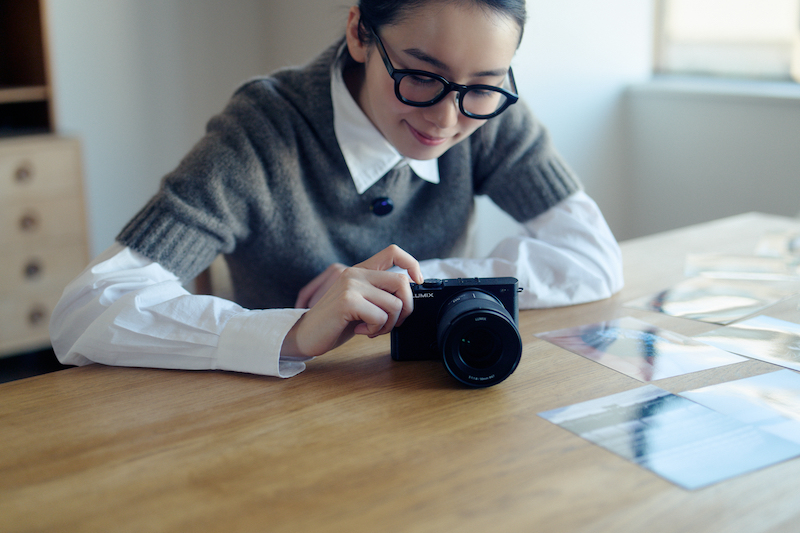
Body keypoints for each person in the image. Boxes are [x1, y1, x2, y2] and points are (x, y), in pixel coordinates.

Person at [50, 0, 624, 378]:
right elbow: (83, 312)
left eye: (485, 84)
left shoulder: (489, 113)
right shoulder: (264, 130)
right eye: (422, 75)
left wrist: (417, 282)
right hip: (276, 414)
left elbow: (594, 259)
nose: (449, 119)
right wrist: (292, 332)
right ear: (358, 33)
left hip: (431, 399)